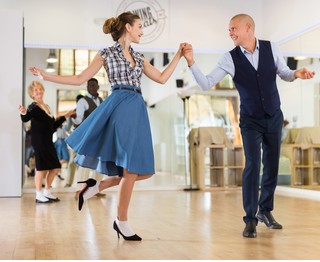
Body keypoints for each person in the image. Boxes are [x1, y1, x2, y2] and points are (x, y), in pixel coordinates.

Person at [29, 12, 187, 240]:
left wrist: (178, 56)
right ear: (128, 27)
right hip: (119, 107)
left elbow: (162, 78)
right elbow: (79, 78)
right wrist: (47, 76)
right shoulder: (106, 53)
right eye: (140, 26)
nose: (143, 31)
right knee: (130, 170)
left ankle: (95, 187)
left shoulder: (140, 57)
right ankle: (121, 222)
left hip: (137, 109)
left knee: (142, 171)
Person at [183, 14, 315, 238]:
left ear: (248, 28)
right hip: (250, 120)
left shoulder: (271, 47)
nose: (231, 33)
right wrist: (191, 62)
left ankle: (266, 211)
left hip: (273, 115)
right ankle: (250, 219)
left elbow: (284, 73)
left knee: (271, 165)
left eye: (234, 28)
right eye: (229, 30)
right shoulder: (229, 58)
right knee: (253, 165)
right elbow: (205, 83)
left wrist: (296, 74)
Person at [19, 81, 75, 203]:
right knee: (41, 168)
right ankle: (39, 194)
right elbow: (26, 117)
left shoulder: (47, 107)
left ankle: (47, 191)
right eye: (36, 90)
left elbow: (53, 126)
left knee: (55, 167)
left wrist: (65, 116)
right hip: (39, 142)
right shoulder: (33, 106)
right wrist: (23, 112)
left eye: (40, 89)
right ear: (32, 95)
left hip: (48, 141)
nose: (39, 91)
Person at [66, 79, 106, 198]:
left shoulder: (101, 101)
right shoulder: (83, 101)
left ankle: (96, 189)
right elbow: (79, 118)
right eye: (89, 85)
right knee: (84, 163)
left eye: (93, 85)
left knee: (100, 163)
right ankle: (80, 190)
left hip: (100, 135)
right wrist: (73, 119)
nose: (91, 87)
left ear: (98, 86)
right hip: (87, 135)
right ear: (87, 87)